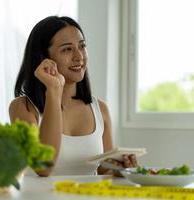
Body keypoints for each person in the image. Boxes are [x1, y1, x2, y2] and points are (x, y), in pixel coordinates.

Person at [9, 16, 138, 176]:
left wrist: (120, 168)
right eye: (67, 49)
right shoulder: (23, 108)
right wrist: (54, 90)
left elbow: (103, 169)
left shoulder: (100, 109)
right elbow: (44, 167)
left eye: (82, 46)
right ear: (44, 58)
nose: (79, 56)